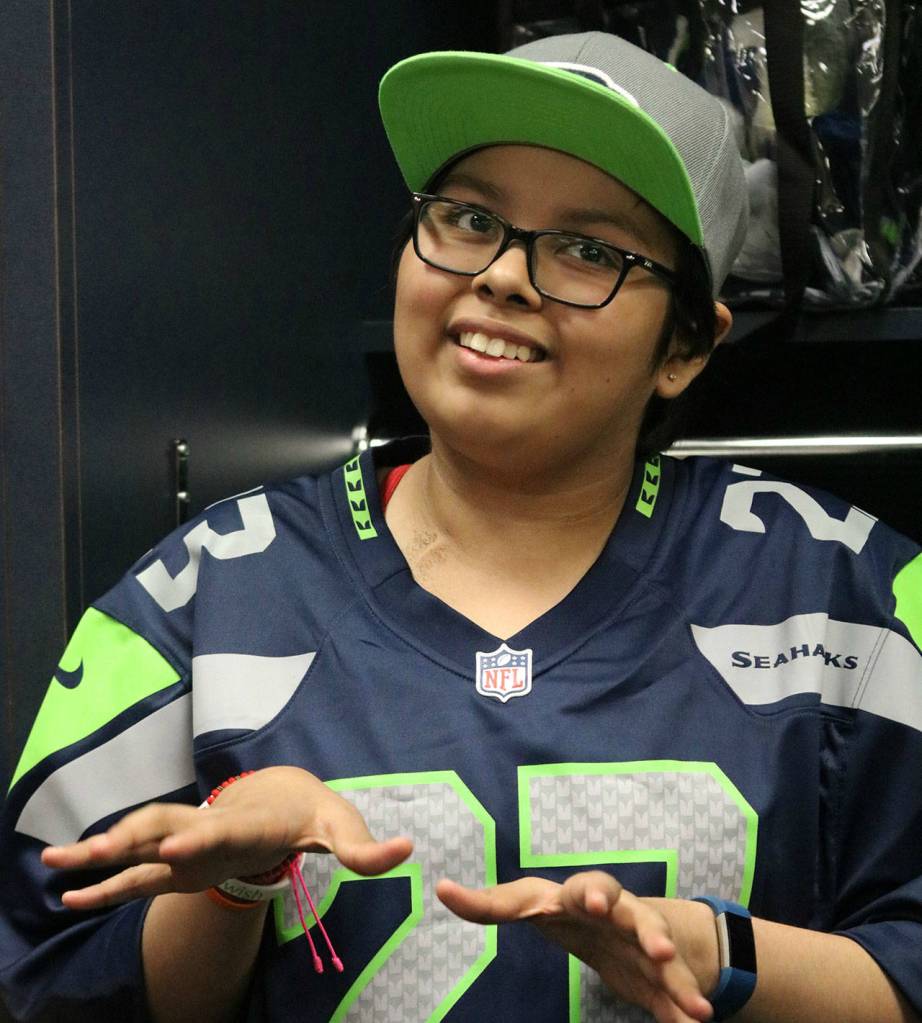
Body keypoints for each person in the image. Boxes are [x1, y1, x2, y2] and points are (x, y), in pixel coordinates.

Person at [1, 29, 921, 1023]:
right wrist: (235, 882)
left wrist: (719, 954)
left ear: (687, 345)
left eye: (585, 249)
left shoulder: (846, 597)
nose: (503, 277)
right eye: (469, 218)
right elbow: (50, 982)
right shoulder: (203, 598)